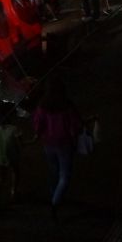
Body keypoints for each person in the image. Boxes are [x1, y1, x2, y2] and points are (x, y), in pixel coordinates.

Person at [31, 77, 83, 222]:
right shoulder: (67, 105)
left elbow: (38, 124)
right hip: (65, 144)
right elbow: (75, 125)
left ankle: (54, 194)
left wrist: (38, 135)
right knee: (65, 175)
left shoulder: (42, 105)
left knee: (53, 170)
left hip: (48, 143)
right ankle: (55, 202)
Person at [0, 100, 23, 206]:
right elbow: (20, 143)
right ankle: (13, 192)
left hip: (0, 154)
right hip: (12, 154)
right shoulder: (14, 129)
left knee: (0, 177)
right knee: (15, 172)